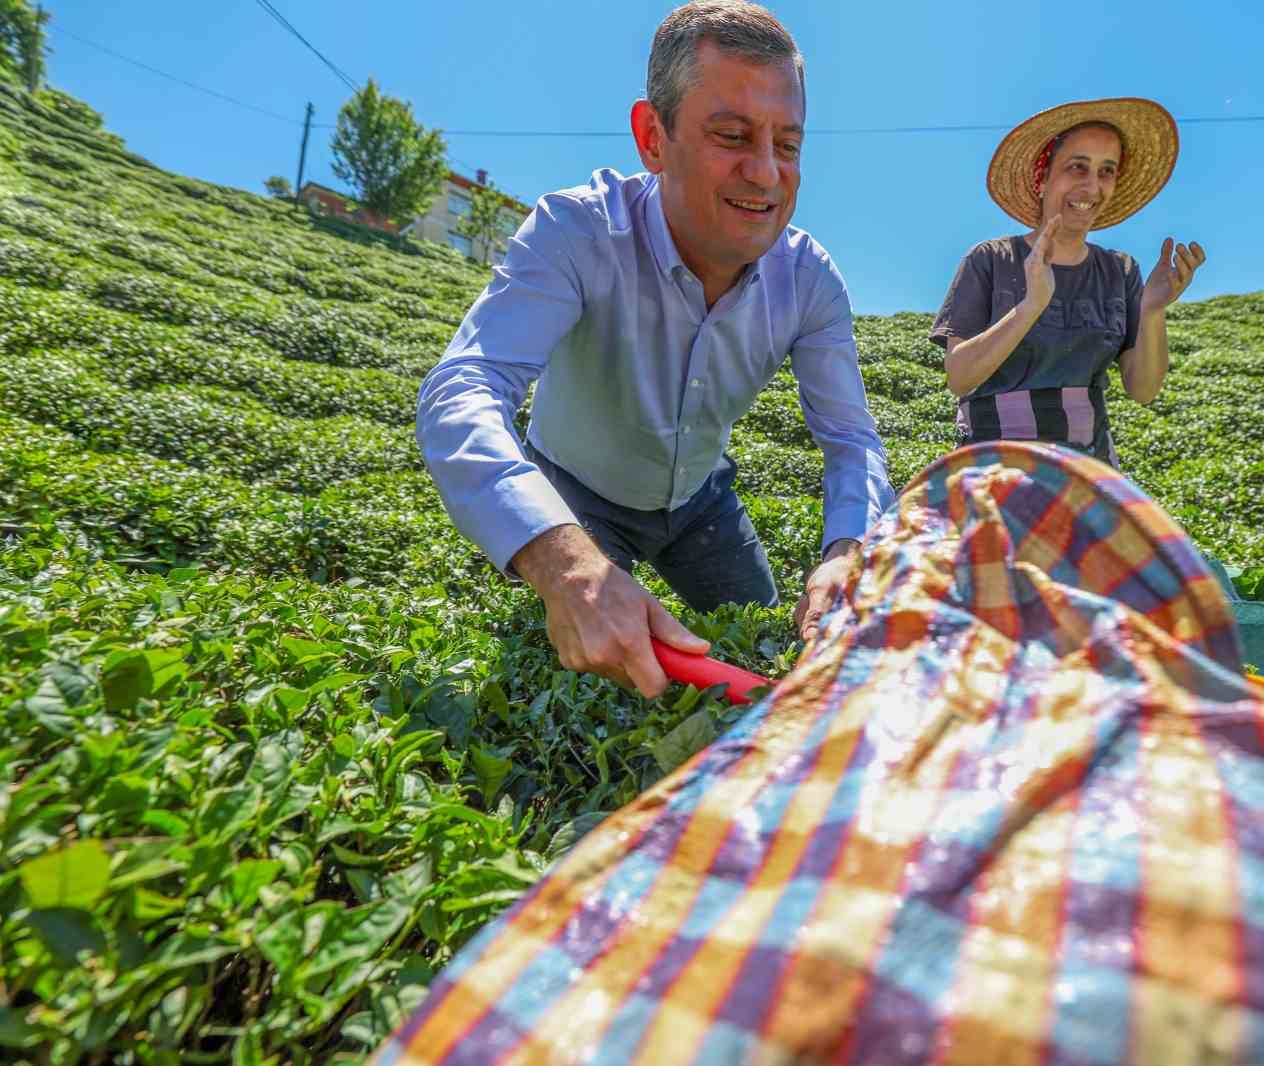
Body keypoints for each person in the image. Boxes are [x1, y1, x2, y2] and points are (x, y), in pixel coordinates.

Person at [416, 0, 892, 699]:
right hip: (575, 496)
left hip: (703, 503)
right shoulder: (576, 230)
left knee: (761, 646)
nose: (765, 173)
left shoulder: (810, 279)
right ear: (652, 137)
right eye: (732, 135)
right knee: (601, 684)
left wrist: (846, 550)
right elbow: (463, 388)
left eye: (786, 145)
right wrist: (562, 560)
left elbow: (851, 437)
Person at [929, 98, 1205, 464]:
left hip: (1089, 466)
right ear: (1043, 179)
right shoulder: (991, 260)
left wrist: (1152, 312)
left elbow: (1143, 390)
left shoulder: (1119, 271)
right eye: (1077, 167)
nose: (1092, 186)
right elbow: (960, 377)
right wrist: (1030, 307)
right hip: (992, 465)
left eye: (1107, 170)